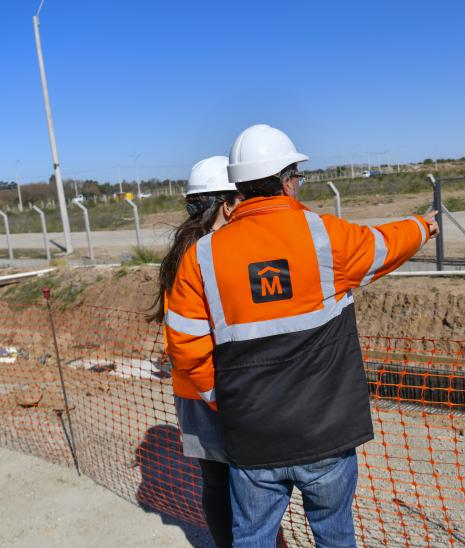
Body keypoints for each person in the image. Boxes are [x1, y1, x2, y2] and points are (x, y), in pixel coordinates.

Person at [165, 124, 438, 547]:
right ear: (289, 181)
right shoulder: (326, 237)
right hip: (325, 435)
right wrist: (424, 225)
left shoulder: (201, 258)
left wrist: (222, 400)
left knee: (252, 538)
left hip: (253, 439)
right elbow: (387, 243)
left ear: (238, 185)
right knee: (334, 535)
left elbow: (185, 349)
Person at [151, 156, 241, 548]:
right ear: (227, 204)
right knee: (239, 481)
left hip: (192, 390)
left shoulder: (182, 249)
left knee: (216, 481)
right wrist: (219, 395)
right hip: (216, 388)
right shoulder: (209, 252)